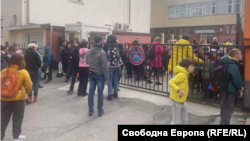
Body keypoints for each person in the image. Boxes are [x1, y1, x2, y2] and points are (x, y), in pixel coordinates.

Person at [0, 53, 32, 141]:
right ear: (22, 61)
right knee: (18, 118)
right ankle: (16, 136)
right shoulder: (24, 72)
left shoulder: (3, 71)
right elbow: (29, 86)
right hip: (19, 100)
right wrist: (24, 93)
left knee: (3, 118)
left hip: (5, 98)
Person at [220, 49, 243, 125]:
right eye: (240, 54)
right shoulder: (233, 65)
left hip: (223, 87)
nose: (242, 56)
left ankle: (222, 121)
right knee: (229, 108)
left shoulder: (225, 62)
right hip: (230, 89)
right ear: (235, 56)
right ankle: (225, 123)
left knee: (224, 105)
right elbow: (237, 78)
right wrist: (240, 88)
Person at [86, 36, 108, 117]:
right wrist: (106, 78)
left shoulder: (89, 51)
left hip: (91, 73)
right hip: (100, 75)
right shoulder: (102, 52)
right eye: (102, 40)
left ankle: (90, 110)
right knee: (100, 93)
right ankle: (99, 111)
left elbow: (87, 61)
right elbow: (104, 66)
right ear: (100, 41)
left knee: (91, 92)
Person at [168, 58, 195, 124]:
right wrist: (179, 90)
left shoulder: (185, 74)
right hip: (177, 100)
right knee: (176, 121)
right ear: (185, 67)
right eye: (192, 66)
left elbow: (180, 83)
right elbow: (171, 82)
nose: (193, 68)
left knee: (185, 120)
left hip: (181, 100)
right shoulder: (182, 74)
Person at [103, 35, 123, 101]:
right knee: (115, 80)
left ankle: (110, 95)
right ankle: (116, 93)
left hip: (109, 65)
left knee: (109, 80)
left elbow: (104, 53)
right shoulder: (116, 45)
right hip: (116, 65)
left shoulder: (106, 45)